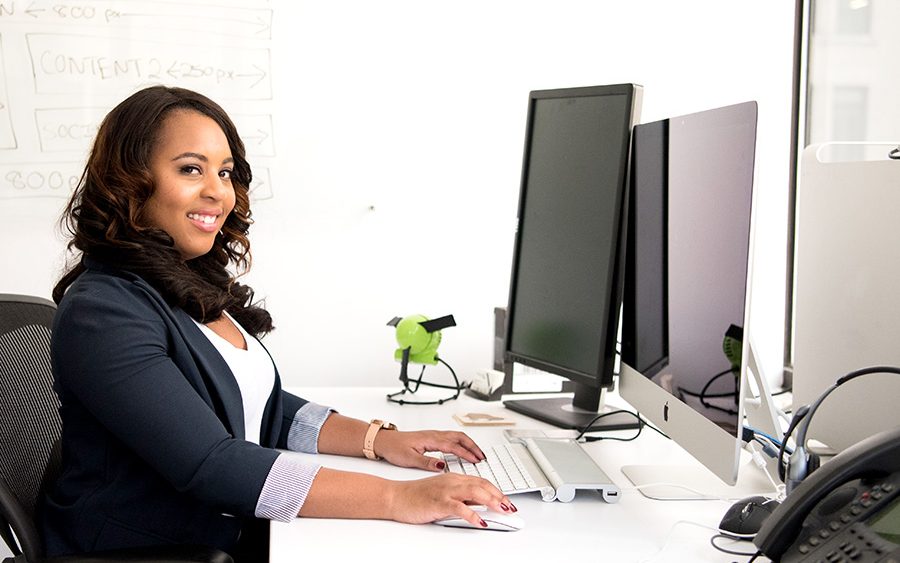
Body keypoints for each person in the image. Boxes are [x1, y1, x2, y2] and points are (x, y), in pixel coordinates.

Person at [41, 85, 515, 560]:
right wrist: (398, 497)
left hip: (220, 535)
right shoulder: (103, 311)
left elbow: (263, 406)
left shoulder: (185, 282)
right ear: (129, 181)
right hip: (147, 549)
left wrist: (382, 442)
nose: (217, 191)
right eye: (190, 169)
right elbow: (212, 464)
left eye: (224, 172)